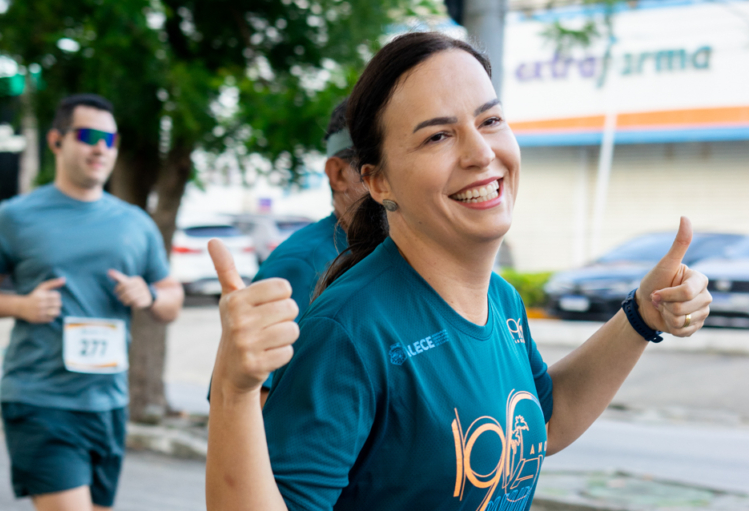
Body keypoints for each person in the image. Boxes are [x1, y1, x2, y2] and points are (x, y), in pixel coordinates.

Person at [204, 32, 711, 511]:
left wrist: (642, 315)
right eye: (438, 136)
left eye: (490, 121)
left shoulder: (501, 299)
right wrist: (234, 389)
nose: (481, 153)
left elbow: (545, 422)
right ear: (378, 183)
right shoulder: (351, 332)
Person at [0, 94, 184, 511]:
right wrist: (20, 306)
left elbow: (172, 300)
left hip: (109, 404)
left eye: (109, 140)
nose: (100, 149)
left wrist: (149, 295)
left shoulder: (136, 223)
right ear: (56, 141)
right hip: (41, 400)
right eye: (88, 136)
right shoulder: (14, 217)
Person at [214, 100, 365, 407]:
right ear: (338, 174)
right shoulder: (301, 266)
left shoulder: (392, 256)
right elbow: (251, 400)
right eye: (374, 166)